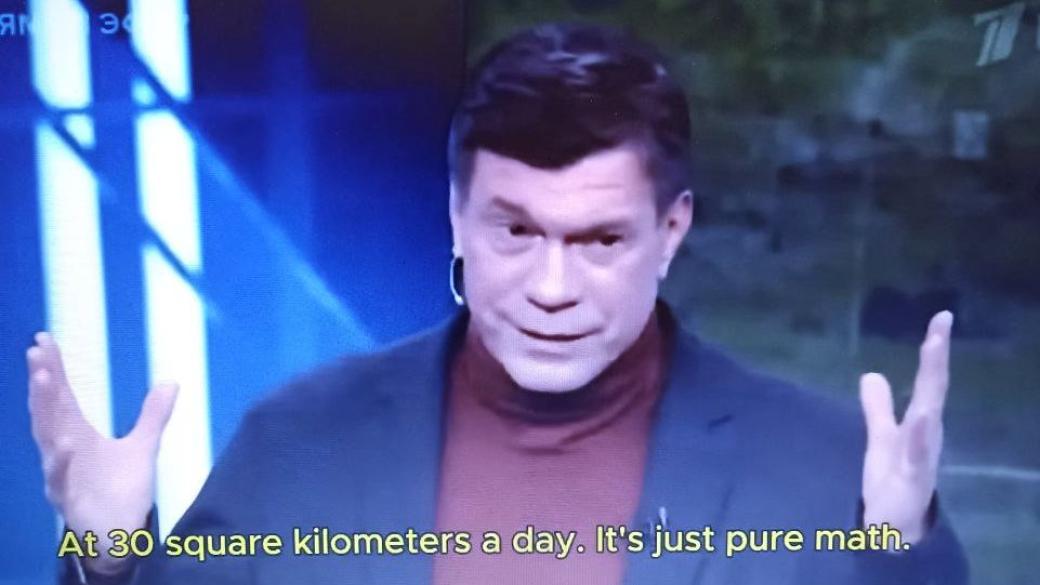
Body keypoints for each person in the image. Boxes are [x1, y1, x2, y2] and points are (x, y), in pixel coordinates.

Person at [27, 22, 968, 585]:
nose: (550, 289)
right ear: (456, 216)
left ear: (671, 229)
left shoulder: (822, 466)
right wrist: (109, 557)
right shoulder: (298, 439)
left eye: (599, 241)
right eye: (515, 230)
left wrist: (901, 553)